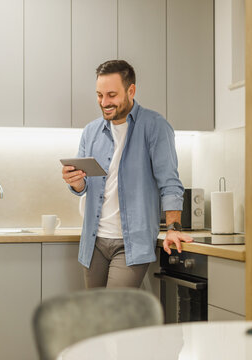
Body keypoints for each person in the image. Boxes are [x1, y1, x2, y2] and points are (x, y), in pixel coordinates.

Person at [62, 60, 192, 289]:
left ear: (131, 90)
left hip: (131, 244)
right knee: (96, 316)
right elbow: (85, 187)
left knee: (113, 311)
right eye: (99, 95)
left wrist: (173, 229)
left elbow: (170, 184)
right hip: (94, 242)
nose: (104, 102)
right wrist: (76, 182)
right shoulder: (91, 131)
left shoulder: (155, 126)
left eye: (111, 95)